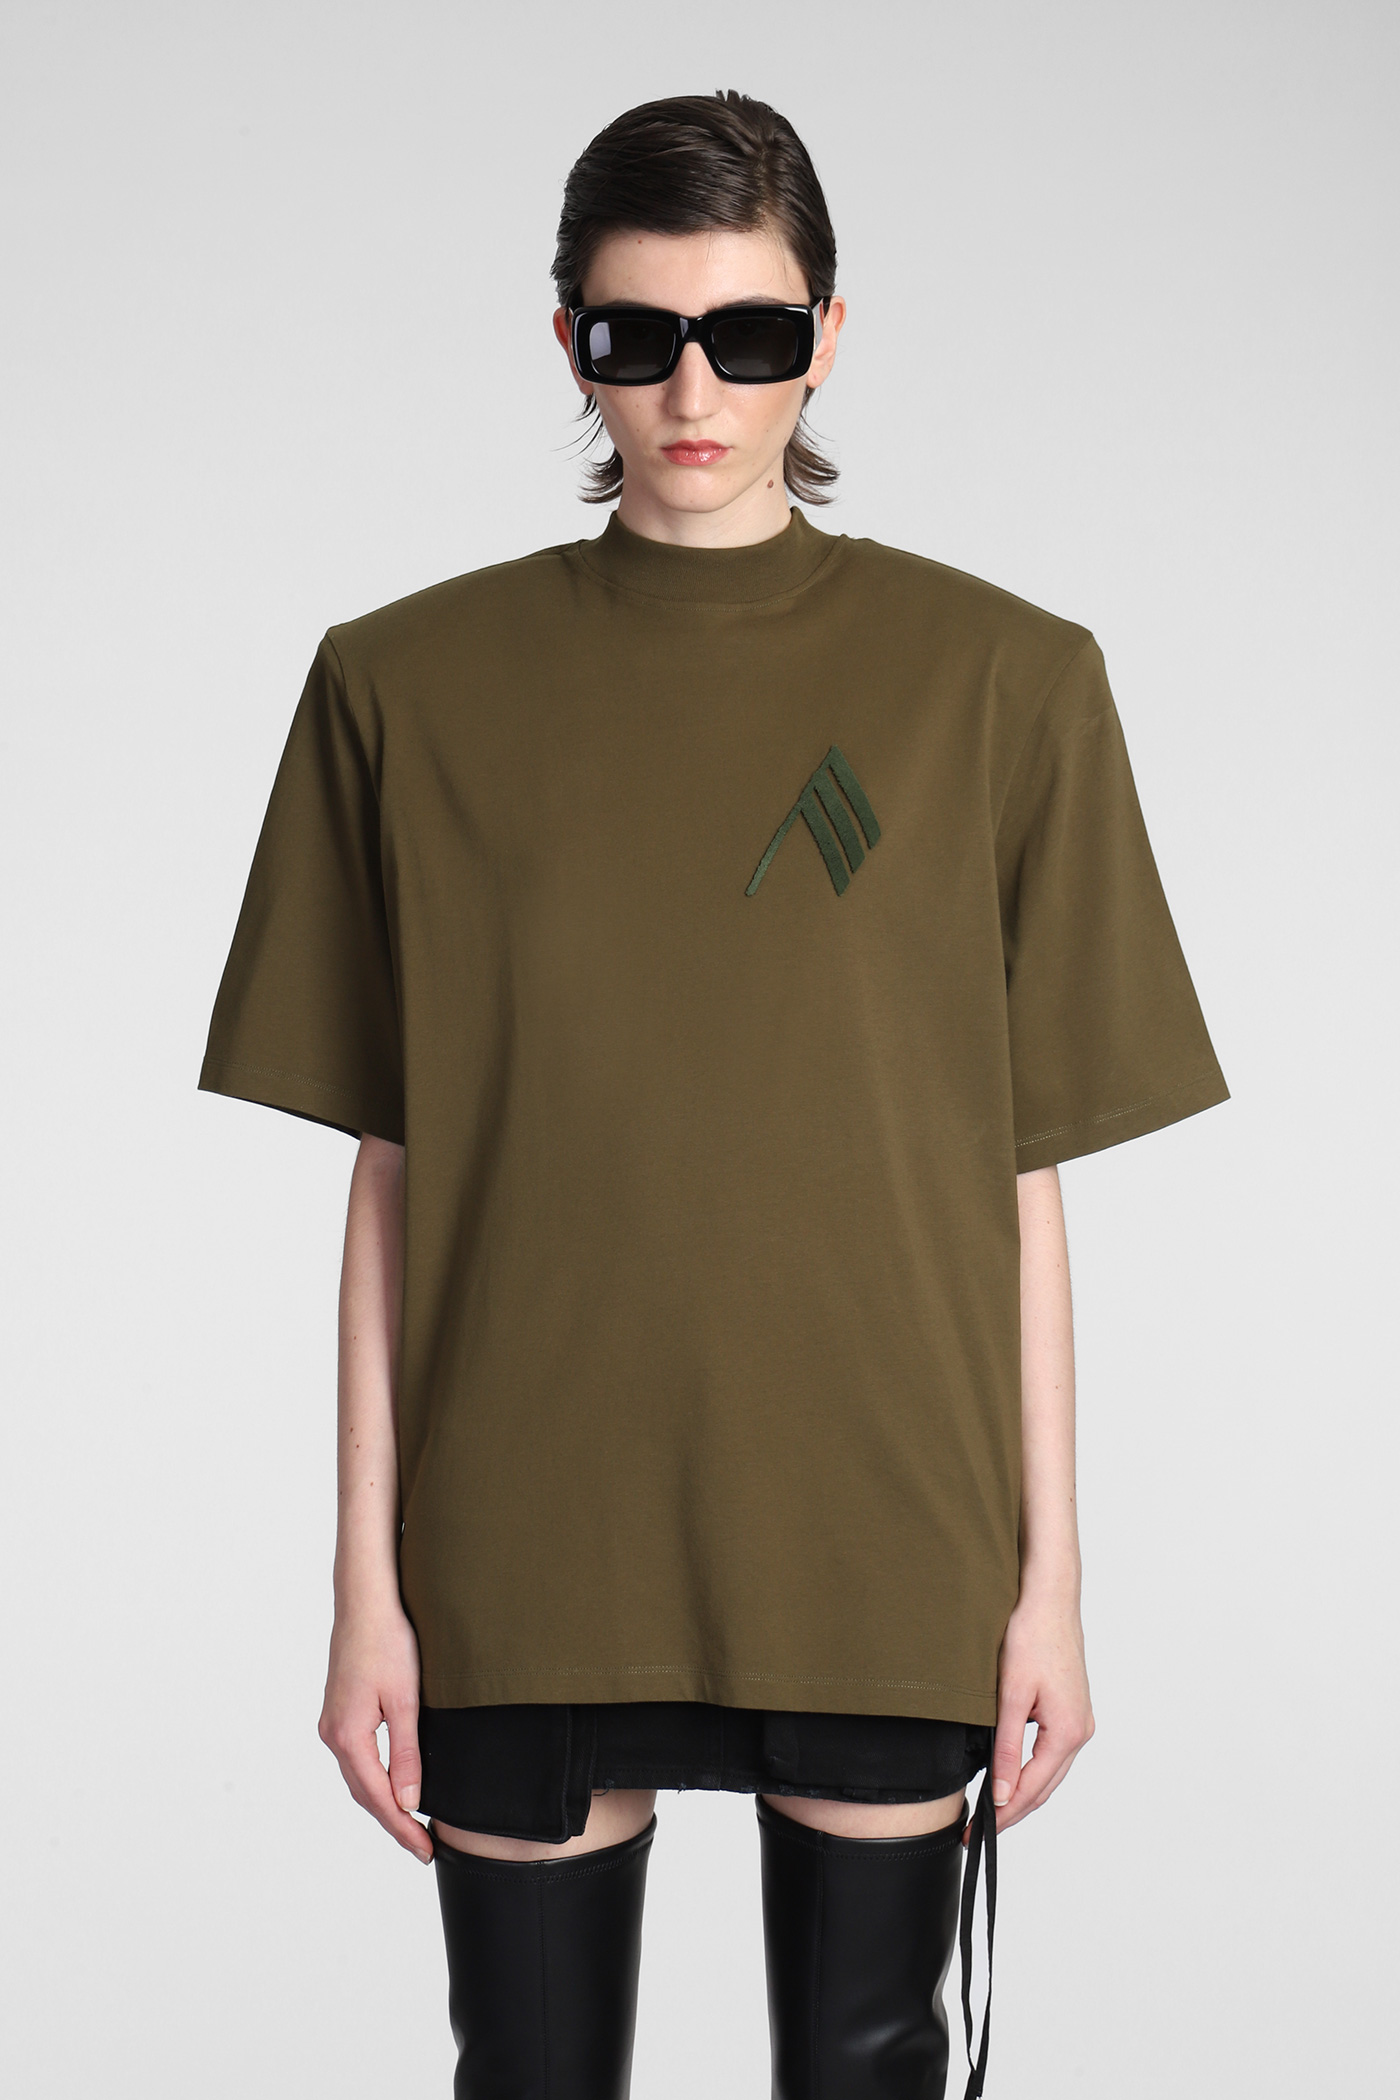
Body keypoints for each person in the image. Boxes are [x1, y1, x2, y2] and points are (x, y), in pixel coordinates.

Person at [200, 91, 1228, 2100]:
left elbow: (1015, 1183)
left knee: (867, 2067)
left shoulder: (999, 685)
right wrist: (362, 1593)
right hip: (521, 1534)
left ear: (825, 336)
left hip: (881, 1528)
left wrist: (1052, 1588)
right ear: (567, 341)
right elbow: (393, 1173)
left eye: (748, 335)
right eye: (637, 335)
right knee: (529, 2076)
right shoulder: (403, 688)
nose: (693, 390)